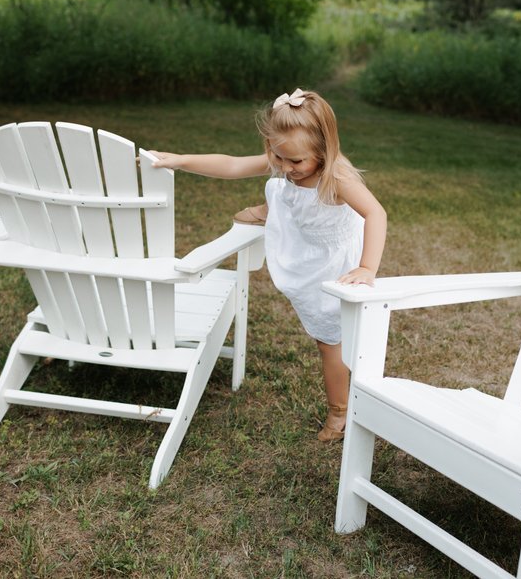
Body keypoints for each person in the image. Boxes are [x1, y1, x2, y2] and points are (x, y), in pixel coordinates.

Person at [148, 88, 387, 442]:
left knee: (330, 341)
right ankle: (277, 212)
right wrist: (181, 160)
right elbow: (231, 164)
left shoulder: (337, 179)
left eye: (296, 163)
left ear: (324, 150)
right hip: (305, 245)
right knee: (284, 191)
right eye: (278, 157)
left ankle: (339, 412)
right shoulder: (285, 159)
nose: (286, 169)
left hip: (332, 261)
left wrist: (367, 268)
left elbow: (376, 213)